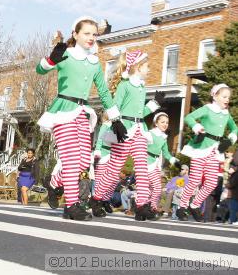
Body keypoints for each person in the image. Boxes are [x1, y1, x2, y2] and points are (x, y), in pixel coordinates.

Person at [36, 16, 126, 220]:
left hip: (83, 113)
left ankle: (53, 182)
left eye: (94, 34)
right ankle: (71, 205)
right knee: (71, 161)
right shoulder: (65, 55)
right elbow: (39, 70)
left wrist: (116, 119)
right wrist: (51, 60)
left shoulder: (94, 62)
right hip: (63, 110)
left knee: (84, 161)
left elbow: (103, 92)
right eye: (86, 33)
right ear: (75, 34)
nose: (91, 37)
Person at [90, 49, 164, 221]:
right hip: (124, 130)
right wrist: (117, 123)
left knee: (142, 167)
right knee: (114, 169)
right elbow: (114, 107)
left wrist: (154, 105)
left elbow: (140, 112)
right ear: (137, 67)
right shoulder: (125, 85)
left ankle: (141, 206)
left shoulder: (142, 87)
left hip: (139, 129)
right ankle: (96, 198)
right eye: (146, 66)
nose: (149, 69)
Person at [177, 84, 237, 221]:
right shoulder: (207, 109)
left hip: (215, 151)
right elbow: (189, 118)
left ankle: (195, 205)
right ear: (215, 96)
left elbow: (235, 129)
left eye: (228, 97)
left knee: (211, 183)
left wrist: (230, 140)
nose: (227, 99)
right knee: (195, 180)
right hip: (201, 148)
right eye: (224, 96)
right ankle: (182, 206)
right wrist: (197, 127)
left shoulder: (226, 114)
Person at [146, 112, 180, 216]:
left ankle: (150, 208)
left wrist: (175, 161)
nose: (165, 124)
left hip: (156, 164)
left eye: (167, 122)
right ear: (156, 123)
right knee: (152, 188)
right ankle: (149, 208)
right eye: (162, 122)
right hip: (145, 163)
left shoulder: (163, 137)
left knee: (154, 188)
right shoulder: (149, 133)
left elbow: (166, 153)